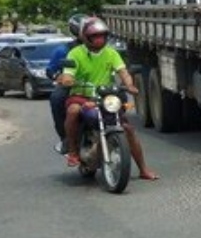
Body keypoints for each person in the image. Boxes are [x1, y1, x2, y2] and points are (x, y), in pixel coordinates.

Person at [60, 17, 158, 180]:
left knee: (127, 128)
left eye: (102, 36)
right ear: (86, 37)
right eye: (95, 36)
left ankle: (143, 169)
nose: (99, 40)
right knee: (73, 110)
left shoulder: (111, 53)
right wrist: (67, 79)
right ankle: (73, 151)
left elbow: (123, 71)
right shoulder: (75, 53)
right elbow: (67, 74)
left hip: (105, 96)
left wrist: (130, 85)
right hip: (81, 95)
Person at [47, 14, 85, 152]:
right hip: (72, 87)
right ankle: (65, 138)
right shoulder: (63, 50)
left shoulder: (103, 49)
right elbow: (50, 70)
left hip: (96, 86)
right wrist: (59, 77)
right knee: (56, 99)